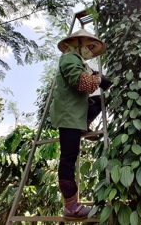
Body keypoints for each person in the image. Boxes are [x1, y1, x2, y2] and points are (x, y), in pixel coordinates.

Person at [49, 28, 112, 219]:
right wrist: (98, 79)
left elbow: (102, 82)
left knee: (102, 99)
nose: (91, 52)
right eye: (90, 47)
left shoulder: (82, 63)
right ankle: (70, 206)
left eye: (94, 49)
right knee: (69, 157)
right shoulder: (69, 59)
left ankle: (86, 122)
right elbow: (82, 83)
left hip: (78, 112)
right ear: (77, 44)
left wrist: (113, 83)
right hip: (69, 115)